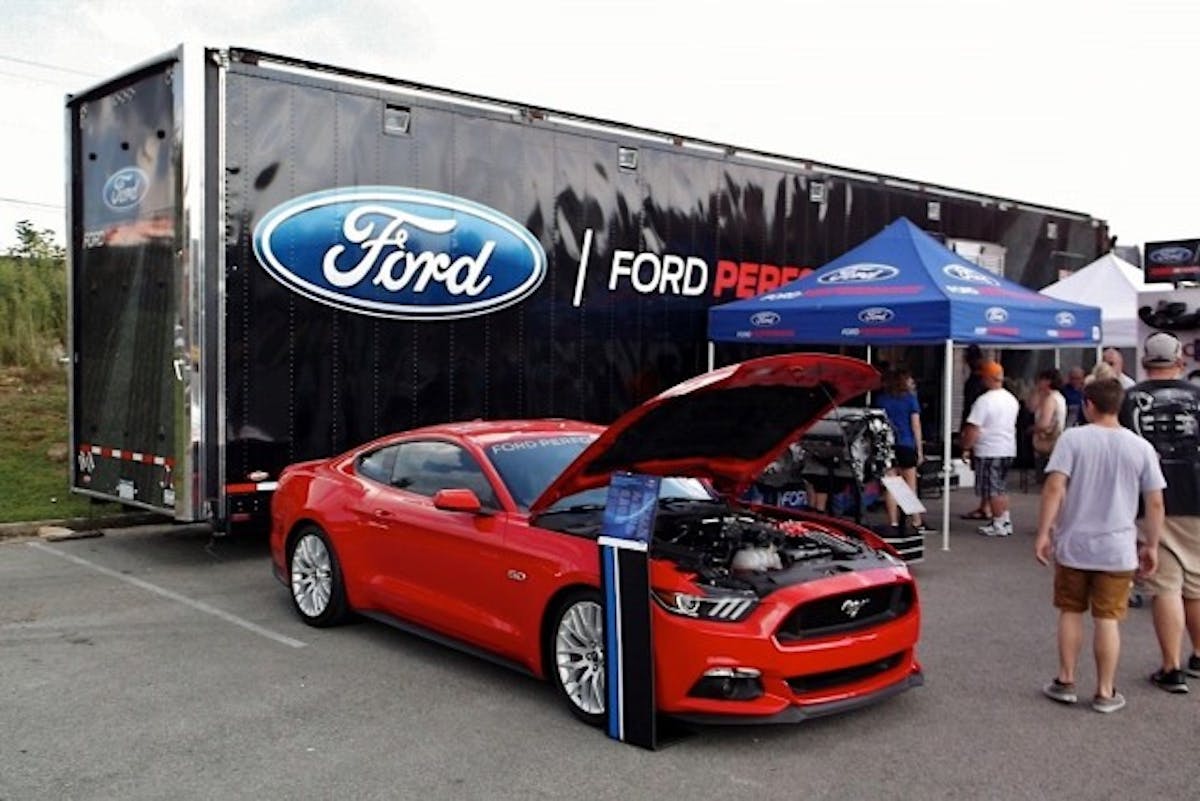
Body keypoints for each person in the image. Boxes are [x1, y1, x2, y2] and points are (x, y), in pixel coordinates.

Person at [1036, 377, 1165, 713]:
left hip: (1075, 543)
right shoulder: (1140, 447)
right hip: (1117, 548)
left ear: (1089, 404)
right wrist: (1152, 544)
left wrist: (1044, 532)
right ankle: (1105, 691)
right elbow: (1154, 503)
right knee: (1108, 618)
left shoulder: (1073, 440)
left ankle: (1065, 679)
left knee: (1071, 610)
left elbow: (1054, 488)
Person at [1119, 331, 1200, 693]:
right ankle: (1198, 654)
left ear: (1145, 362)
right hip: (1198, 497)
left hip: (1150, 500)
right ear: (1179, 361)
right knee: (1197, 586)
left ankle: (1171, 668)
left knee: (1164, 585)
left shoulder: (1129, 399)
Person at [961, 360, 1019, 537]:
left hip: (989, 449)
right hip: (1007, 448)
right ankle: (1004, 519)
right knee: (1001, 487)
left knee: (992, 489)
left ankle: (999, 522)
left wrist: (965, 447)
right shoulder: (1011, 399)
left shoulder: (984, 401)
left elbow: (974, 428)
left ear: (987, 378)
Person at [875, 367, 929, 533]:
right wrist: (919, 450)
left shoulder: (880, 400)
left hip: (887, 446)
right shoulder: (910, 400)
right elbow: (916, 425)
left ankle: (893, 522)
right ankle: (916, 521)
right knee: (909, 485)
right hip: (906, 444)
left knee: (892, 484)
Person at [960, 345, 990, 521]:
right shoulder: (980, 380)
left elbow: (968, 409)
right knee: (983, 470)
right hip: (983, 427)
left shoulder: (974, 382)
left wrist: (964, 433)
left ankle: (986, 507)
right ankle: (984, 506)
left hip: (976, 427)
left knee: (983, 470)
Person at [1027, 368, 1067, 473]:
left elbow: (1044, 423)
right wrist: (1037, 392)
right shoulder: (1057, 397)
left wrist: (1032, 429)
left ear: (1048, 381)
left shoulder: (1050, 399)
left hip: (1047, 442)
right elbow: (1031, 407)